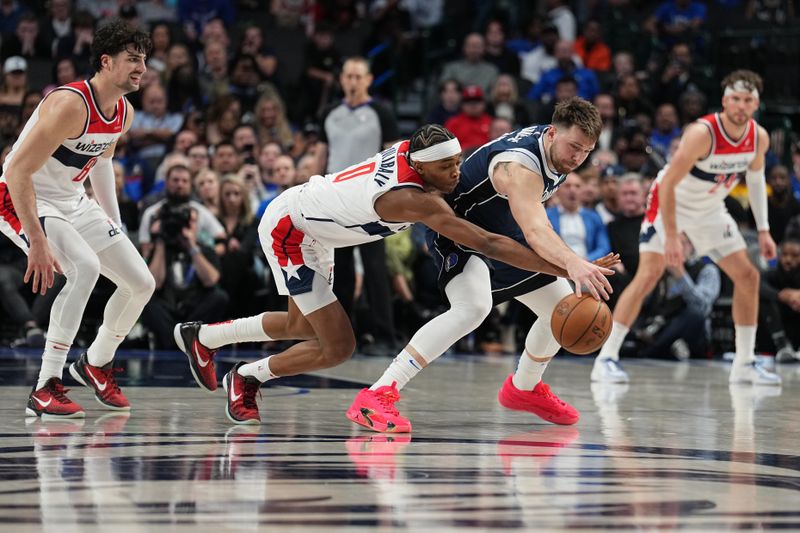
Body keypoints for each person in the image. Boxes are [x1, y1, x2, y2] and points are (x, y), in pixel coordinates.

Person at [174, 124, 614, 424]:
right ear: (421, 168)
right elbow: (491, 245)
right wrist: (571, 266)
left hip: (318, 226)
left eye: (460, 162)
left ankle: (205, 339)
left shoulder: (421, 154)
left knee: (298, 325)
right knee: (336, 346)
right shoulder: (414, 199)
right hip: (291, 231)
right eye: (448, 169)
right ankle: (248, 375)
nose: (457, 174)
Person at [346, 97, 614, 433]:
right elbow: (536, 229)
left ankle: (524, 388)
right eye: (574, 146)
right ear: (550, 133)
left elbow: (529, 223)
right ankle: (377, 393)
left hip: (503, 232)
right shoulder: (519, 168)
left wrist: (573, 264)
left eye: (586, 151)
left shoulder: (558, 156)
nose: (577, 157)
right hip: (460, 229)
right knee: (473, 308)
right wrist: (572, 262)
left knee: (565, 305)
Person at [0, 20, 155, 419]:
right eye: (132, 59)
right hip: (22, 196)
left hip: (71, 198)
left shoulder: (124, 112)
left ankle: (96, 362)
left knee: (140, 282)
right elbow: (17, 172)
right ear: (105, 61)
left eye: (144, 59)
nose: (141, 67)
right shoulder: (70, 104)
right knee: (83, 268)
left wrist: (114, 223)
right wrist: (36, 239)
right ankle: (45, 385)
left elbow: (102, 162)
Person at [591, 70, 781, 385]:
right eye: (735, 99)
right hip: (670, 203)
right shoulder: (702, 133)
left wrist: (763, 230)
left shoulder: (758, 137)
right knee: (649, 274)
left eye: (747, 100)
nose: (740, 106)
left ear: (756, 103)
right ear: (724, 100)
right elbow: (667, 186)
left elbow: (757, 181)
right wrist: (673, 236)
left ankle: (745, 363)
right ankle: (606, 358)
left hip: (708, 209)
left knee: (748, 276)